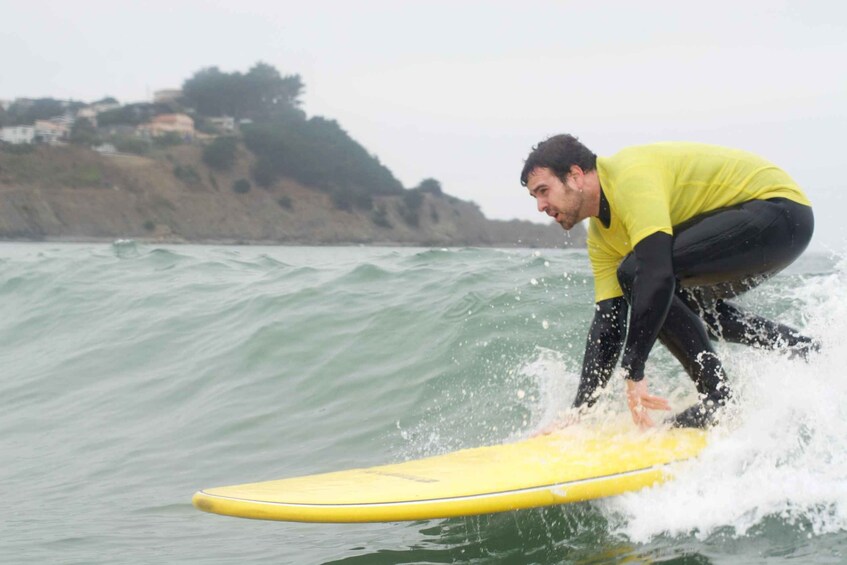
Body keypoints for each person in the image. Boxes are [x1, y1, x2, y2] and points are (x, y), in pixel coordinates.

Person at [520, 135, 818, 429]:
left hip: (779, 210)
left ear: (575, 176)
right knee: (693, 312)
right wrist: (579, 412)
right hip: (764, 224)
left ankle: (719, 400)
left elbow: (655, 273)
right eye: (535, 197)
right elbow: (608, 323)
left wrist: (633, 369)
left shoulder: (629, 177)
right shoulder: (600, 238)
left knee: (639, 274)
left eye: (544, 191)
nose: (541, 206)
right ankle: (807, 351)